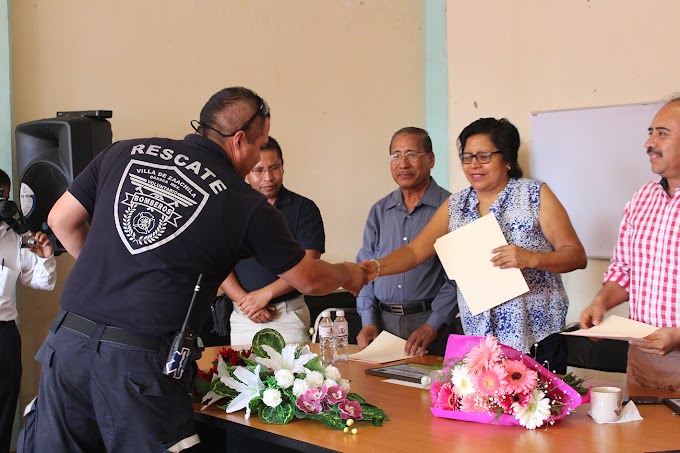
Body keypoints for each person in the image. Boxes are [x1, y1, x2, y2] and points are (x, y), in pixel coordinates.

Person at [21, 87, 367, 452]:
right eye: (258, 146)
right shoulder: (242, 202)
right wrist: (349, 272)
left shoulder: (124, 151)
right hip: (137, 362)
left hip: (66, 345)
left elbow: (60, 220)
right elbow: (309, 279)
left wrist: (109, 273)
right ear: (239, 140)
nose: (257, 162)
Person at [361, 118, 586, 373]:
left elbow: (576, 256)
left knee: (534, 411)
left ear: (508, 159)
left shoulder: (534, 194)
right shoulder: (457, 205)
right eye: (467, 157)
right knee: (480, 412)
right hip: (480, 340)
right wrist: (374, 268)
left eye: (484, 156)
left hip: (535, 333)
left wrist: (531, 258)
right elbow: (414, 251)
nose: (474, 165)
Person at [580, 97, 680, 390]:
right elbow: (624, 270)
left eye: (662, 133)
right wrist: (601, 302)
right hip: (642, 359)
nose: (649, 143)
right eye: (650, 133)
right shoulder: (642, 199)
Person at [356, 127, 459, 357]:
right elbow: (365, 266)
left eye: (412, 154)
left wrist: (432, 325)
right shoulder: (379, 211)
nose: (403, 164)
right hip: (382, 325)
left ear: (431, 159)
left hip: (430, 325)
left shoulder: (450, 208)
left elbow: (457, 278)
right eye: (396, 155)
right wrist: (368, 320)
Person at [222, 136, 325, 345]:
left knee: (294, 377)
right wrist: (246, 302)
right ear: (247, 172)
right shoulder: (230, 209)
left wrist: (264, 295)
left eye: (274, 168)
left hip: (287, 316)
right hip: (244, 317)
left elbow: (309, 264)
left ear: (283, 166)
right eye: (259, 170)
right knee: (238, 377)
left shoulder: (304, 209)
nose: (268, 177)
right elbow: (219, 263)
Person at [0, 169, 55, 453]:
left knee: (5, 409)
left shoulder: (17, 235)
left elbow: (42, 283)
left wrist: (45, 258)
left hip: (4, 335)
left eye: (3, 194)